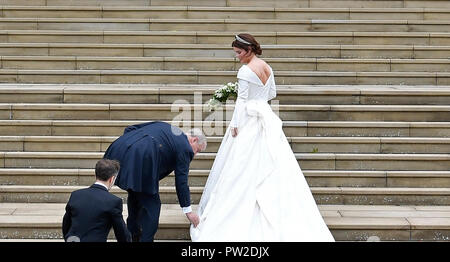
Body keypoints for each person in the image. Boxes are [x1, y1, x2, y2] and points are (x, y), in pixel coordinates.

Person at [190, 33, 335, 242]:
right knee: (273, 162)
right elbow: (272, 94)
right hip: (264, 116)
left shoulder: (245, 71)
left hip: (248, 119)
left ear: (248, 50)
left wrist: (236, 125)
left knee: (240, 167)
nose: (237, 57)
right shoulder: (267, 66)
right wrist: (257, 100)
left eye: (239, 52)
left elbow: (241, 102)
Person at [103, 121, 206, 242]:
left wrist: (132, 148)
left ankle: (133, 235)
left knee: (135, 194)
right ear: (193, 140)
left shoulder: (167, 127)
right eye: (197, 150)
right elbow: (181, 181)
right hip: (142, 159)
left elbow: (130, 128)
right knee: (153, 207)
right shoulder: (185, 148)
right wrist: (188, 211)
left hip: (119, 148)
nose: (195, 154)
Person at [62, 159, 131, 242]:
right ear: (112, 179)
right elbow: (121, 233)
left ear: (96, 175)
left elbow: (66, 224)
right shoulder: (113, 201)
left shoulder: (76, 195)